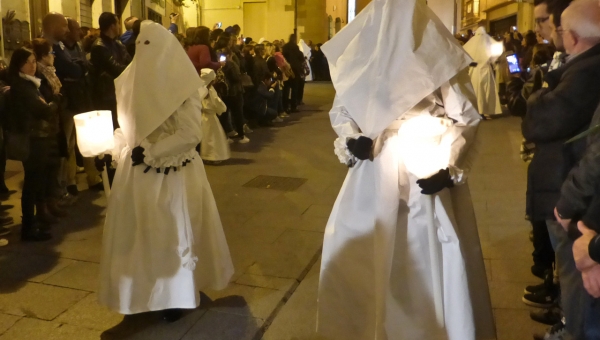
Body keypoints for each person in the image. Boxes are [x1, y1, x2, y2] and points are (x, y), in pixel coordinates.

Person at [317, 0, 495, 338]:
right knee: (369, 251)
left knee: (420, 251)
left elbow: (466, 117)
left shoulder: (437, 50)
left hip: (423, 162)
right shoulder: (364, 52)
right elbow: (343, 110)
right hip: (374, 168)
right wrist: (353, 137)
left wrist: (450, 164)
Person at [98, 20, 234, 321]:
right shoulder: (129, 82)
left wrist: (151, 152)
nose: (144, 53)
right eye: (139, 46)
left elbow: (189, 134)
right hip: (136, 175)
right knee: (140, 237)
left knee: (171, 233)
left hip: (175, 174)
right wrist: (111, 144)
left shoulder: (181, 86)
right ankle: (142, 291)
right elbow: (128, 126)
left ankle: (176, 295)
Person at [522, 0, 600, 338]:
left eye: (558, 28)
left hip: (571, 192)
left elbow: (541, 121)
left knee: (577, 279)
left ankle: (572, 332)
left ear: (573, 37)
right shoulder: (583, 66)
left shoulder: (587, 70)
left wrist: (567, 204)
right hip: (571, 189)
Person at [7, 47, 61, 242]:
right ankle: (28, 228)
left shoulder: (30, 83)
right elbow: (42, 110)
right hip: (33, 140)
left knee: (37, 182)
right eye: (28, 62)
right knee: (32, 184)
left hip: (39, 138)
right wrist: (54, 102)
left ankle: (34, 222)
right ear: (19, 64)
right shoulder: (22, 86)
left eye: (33, 61)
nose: (32, 65)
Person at [90, 12, 131, 128]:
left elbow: (130, 61)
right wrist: (130, 69)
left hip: (118, 93)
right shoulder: (99, 46)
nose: (119, 26)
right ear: (112, 26)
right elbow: (116, 69)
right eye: (117, 23)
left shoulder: (118, 44)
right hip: (106, 96)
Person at [463, 27, 503, 118]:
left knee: (476, 91)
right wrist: (492, 61)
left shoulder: (471, 42)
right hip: (486, 69)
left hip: (475, 70)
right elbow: (497, 51)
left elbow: (464, 52)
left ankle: (477, 110)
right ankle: (486, 111)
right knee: (486, 91)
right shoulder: (488, 40)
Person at [199, 69, 230, 163]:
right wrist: (222, 108)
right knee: (213, 137)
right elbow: (217, 102)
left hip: (202, 116)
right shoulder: (210, 90)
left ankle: (206, 155)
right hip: (210, 117)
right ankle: (213, 156)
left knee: (205, 137)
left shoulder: (201, 89)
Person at [282, 34, 304, 113]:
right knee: (295, 88)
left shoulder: (285, 47)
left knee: (286, 88)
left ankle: (285, 106)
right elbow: (300, 57)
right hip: (295, 69)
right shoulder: (295, 47)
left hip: (287, 69)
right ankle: (293, 106)